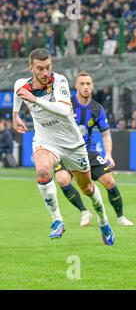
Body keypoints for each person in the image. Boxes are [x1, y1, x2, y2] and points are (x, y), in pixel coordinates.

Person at [12, 48, 114, 245]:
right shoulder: (22, 85)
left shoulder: (59, 81)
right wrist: (16, 115)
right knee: (42, 171)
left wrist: (34, 99)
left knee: (87, 188)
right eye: (40, 68)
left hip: (73, 144)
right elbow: (18, 90)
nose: (45, 73)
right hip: (46, 140)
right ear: (31, 68)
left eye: (48, 67)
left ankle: (103, 221)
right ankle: (57, 220)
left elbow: (64, 109)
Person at [54, 71, 134, 227]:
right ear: (76, 86)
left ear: (92, 86)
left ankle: (120, 217)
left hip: (88, 151)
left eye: (88, 84)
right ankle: (84, 212)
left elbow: (106, 135)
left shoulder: (97, 109)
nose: (85, 87)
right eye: (82, 83)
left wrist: (108, 155)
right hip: (66, 151)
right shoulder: (66, 104)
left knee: (109, 181)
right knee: (62, 180)